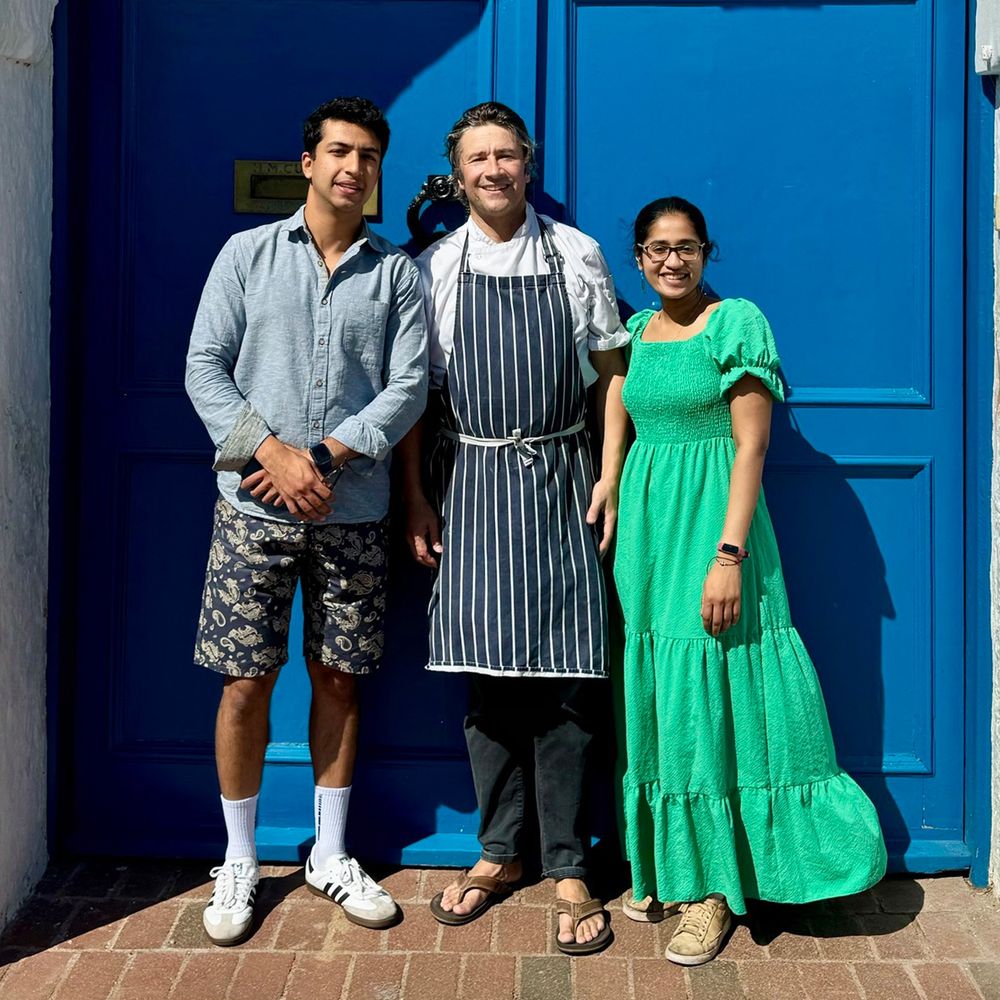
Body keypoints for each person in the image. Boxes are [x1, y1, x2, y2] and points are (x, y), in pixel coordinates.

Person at [613, 196, 887, 965]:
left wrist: (728, 555)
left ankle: (716, 894)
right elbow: (618, 413)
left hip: (713, 531)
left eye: (687, 246)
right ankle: (677, 866)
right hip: (649, 539)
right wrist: (608, 486)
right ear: (638, 258)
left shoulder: (736, 323)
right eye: (658, 249)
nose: (672, 260)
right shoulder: (636, 332)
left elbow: (750, 449)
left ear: (707, 252)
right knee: (669, 695)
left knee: (717, 690)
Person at [184, 96, 428, 946]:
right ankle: (240, 858)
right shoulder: (247, 256)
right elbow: (203, 368)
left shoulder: (397, 273)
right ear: (308, 162)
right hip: (251, 507)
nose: (352, 167)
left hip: (353, 509)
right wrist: (272, 456)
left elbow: (408, 389)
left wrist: (322, 458)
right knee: (245, 680)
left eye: (367, 156)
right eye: (337, 151)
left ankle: (329, 851)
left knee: (339, 677)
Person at [398, 102, 629, 955]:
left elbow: (612, 375)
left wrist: (607, 473)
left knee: (569, 681)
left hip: (563, 480)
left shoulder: (576, 256)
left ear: (527, 165)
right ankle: (500, 852)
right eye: (477, 158)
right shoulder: (433, 268)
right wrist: (418, 498)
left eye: (506, 156)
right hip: (472, 484)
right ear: (457, 173)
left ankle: (569, 862)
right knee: (485, 681)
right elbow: (418, 394)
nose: (493, 170)